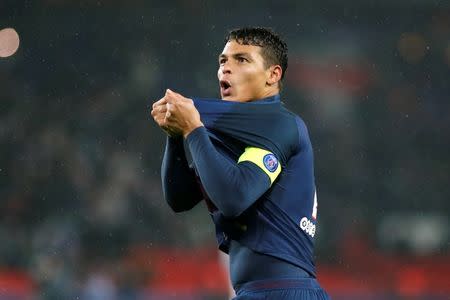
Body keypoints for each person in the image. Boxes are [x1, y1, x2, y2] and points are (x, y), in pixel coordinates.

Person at [151, 27, 329, 299]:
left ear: (273, 75)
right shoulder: (235, 139)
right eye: (223, 61)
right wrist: (176, 136)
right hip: (257, 292)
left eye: (242, 60)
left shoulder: (280, 124)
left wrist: (194, 129)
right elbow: (180, 198)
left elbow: (234, 198)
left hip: (283, 290)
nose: (226, 69)